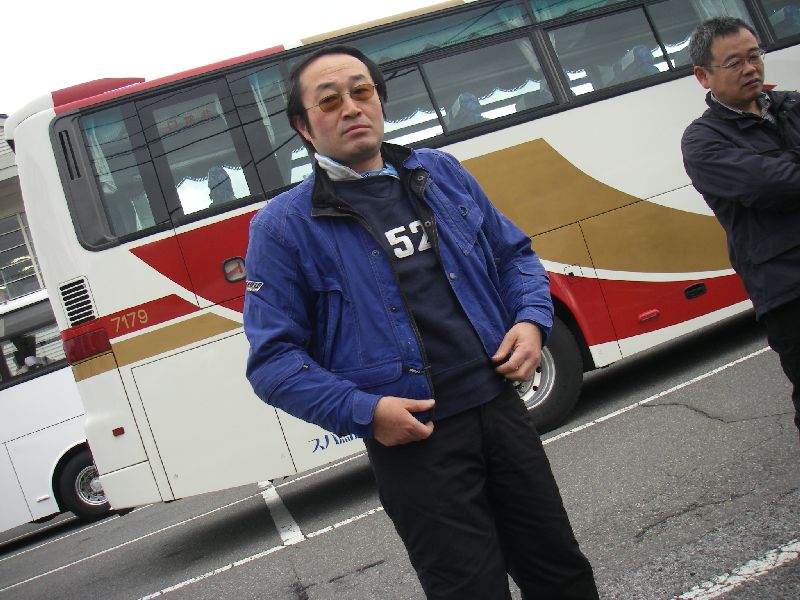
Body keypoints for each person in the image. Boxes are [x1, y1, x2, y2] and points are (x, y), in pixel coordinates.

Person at [243, 44, 598, 599]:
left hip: (502, 411)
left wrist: (532, 321)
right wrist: (366, 412)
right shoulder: (283, 227)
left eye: (362, 91)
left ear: (380, 100)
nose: (351, 107)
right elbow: (273, 363)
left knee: (560, 570)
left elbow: (514, 256)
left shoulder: (439, 172)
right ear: (303, 127)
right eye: (329, 100)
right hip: (416, 444)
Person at [681, 17, 800, 440]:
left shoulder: (791, 105)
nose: (750, 68)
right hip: (787, 288)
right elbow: (770, 185)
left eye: (754, 56)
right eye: (734, 62)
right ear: (704, 76)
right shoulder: (701, 141)